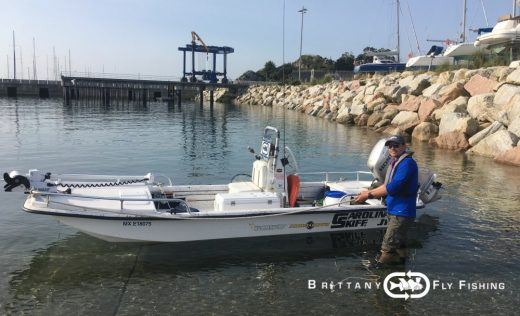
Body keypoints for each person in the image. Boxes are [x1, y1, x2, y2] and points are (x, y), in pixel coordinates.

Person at [355, 135, 418, 267]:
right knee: (400, 244)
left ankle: (380, 270)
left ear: (404, 146)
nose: (392, 148)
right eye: (390, 146)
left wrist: (369, 196)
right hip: (394, 209)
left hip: (402, 212)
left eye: (396, 145)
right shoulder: (394, 162)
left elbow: (393, 187)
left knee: (387, 246)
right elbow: (386, 184)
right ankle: (400, 267)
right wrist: (367, 192)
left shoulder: (407, 164)